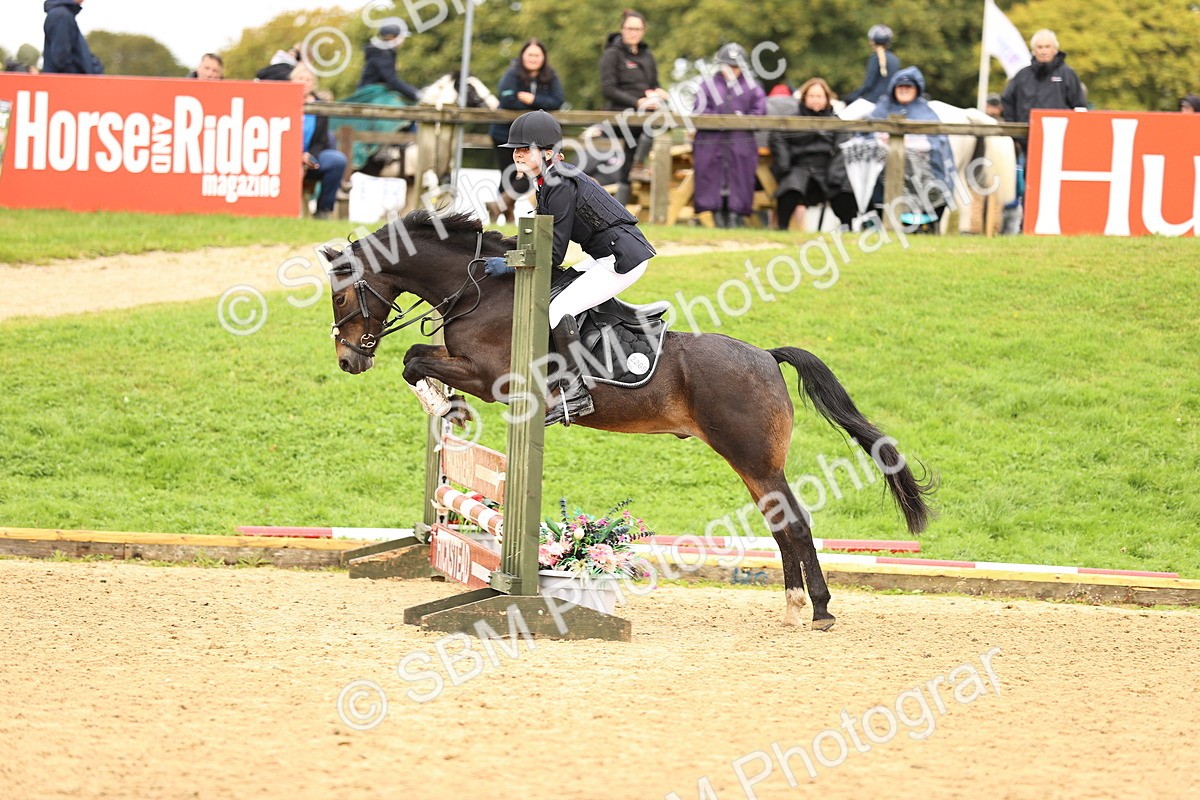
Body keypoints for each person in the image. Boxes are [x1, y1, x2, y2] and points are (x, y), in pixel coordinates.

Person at [482, 110, 657, 427]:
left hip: (621, 260)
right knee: (556, 293)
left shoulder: (559, 183)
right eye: (516, 149)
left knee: (558, 307)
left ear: (547, 152)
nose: (518, 154)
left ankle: (576, 393)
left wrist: (508, 263)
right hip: (604, 255)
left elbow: (552, 255)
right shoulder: (545, 181)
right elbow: (539, 233)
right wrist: (493, 245)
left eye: (526, 148)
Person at [486, 39, 564, 223]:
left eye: (537, 55)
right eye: (530, 54)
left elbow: (557, 101)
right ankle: (506, 217)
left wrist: (533, 99)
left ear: (543, 58)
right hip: (504, 133)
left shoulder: (550, 76)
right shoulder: (512, 74)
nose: (533, 58)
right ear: (523, 56)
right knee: (509, 175)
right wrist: (540, 103)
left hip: (532, 138)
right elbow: (506, 99)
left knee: (527, 173)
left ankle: (497, 207)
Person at [866, 66, 956, 226]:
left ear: (916, 89)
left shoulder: (926, 112)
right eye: (900, 86)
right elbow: (867, 135)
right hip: (884, 171)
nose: (904, 90)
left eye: (908, 87)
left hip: (921, 173)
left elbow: (938, 144)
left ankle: (924, 220)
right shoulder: (881, 108)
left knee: (932, 182)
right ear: (893, 88)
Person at [691, 43, 766, 229]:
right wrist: (721, 120)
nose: (731, 70)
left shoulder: (752, 87)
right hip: (711, 144)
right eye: (728, 65)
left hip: (741, 145)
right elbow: (699, 110)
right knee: (711, 177)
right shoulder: (707, 85)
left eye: (735, 66)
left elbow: (760, 113)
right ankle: (716, 218)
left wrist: (741, 120)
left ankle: (736, 218)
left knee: (740, 179)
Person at [769, 78, 856, 231]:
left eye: (819, 96)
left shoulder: (837, 122)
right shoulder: (792, 120)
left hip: (827, 167)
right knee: (790, 188)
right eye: (812, 96)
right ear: (804, 98)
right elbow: (777, 137)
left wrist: (835, 174)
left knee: (843, 190)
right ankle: (782, 228)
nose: (815, 100)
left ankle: (847, 228)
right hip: (800, 166)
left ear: (827, 99)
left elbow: (843, 147)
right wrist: (784, 164)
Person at [599, 9, 668, 203]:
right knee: (647, 129)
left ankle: (622, 203)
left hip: (646, 114)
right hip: (620, 114)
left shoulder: (648, 56)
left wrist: (659, 94)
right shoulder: (612, 54)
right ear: (622, 29)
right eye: (629, 28)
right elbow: (608, 89)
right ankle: (638, 165)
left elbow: (653, 84)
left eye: (637, 29)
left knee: (662, 122)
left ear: (643, 31)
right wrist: (638, 102)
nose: (633, 32)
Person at [292, 63, 349, 219]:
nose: (304, 82)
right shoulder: (283, 102)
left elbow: (321, 140)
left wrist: (308, 156)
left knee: (338, 161)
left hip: (311, 156)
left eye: (308, 79)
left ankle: (323, 210)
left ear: (314, 84)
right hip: (286, 157)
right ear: (292, 80)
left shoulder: (321, 107)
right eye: (300, 78)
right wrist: (296, 156)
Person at [1000, 29, 1085, 127]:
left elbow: (1079, 106)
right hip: (1025, 135)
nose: (1043, 51)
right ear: (1033, 51)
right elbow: (1007, 101)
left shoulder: (1067, 74)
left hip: (1059, 134)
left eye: (1047, 47)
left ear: (1055, 50)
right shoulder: (1022, 75)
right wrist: (1014, 131)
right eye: (1039, 47)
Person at [357, 19, 420, 103]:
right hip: (371, 95)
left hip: (376, 93)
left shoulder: (384, 52)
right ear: (390, 37)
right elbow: (392, 81)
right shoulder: (382, 54)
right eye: (401, 37)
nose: (403, 40)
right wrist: (416, 94)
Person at [42, 0, 102, 75]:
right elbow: (61, 57)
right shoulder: (62, 15)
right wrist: (78, 77)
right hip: (66, 82)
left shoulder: (62, 14)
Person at [845, 25, 900, 104]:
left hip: (873, 101)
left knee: (842, 115)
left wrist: (850, 98)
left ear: (872, 41)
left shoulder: (875, 58)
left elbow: (868, 85)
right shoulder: (895, 59)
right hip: (891, 102)